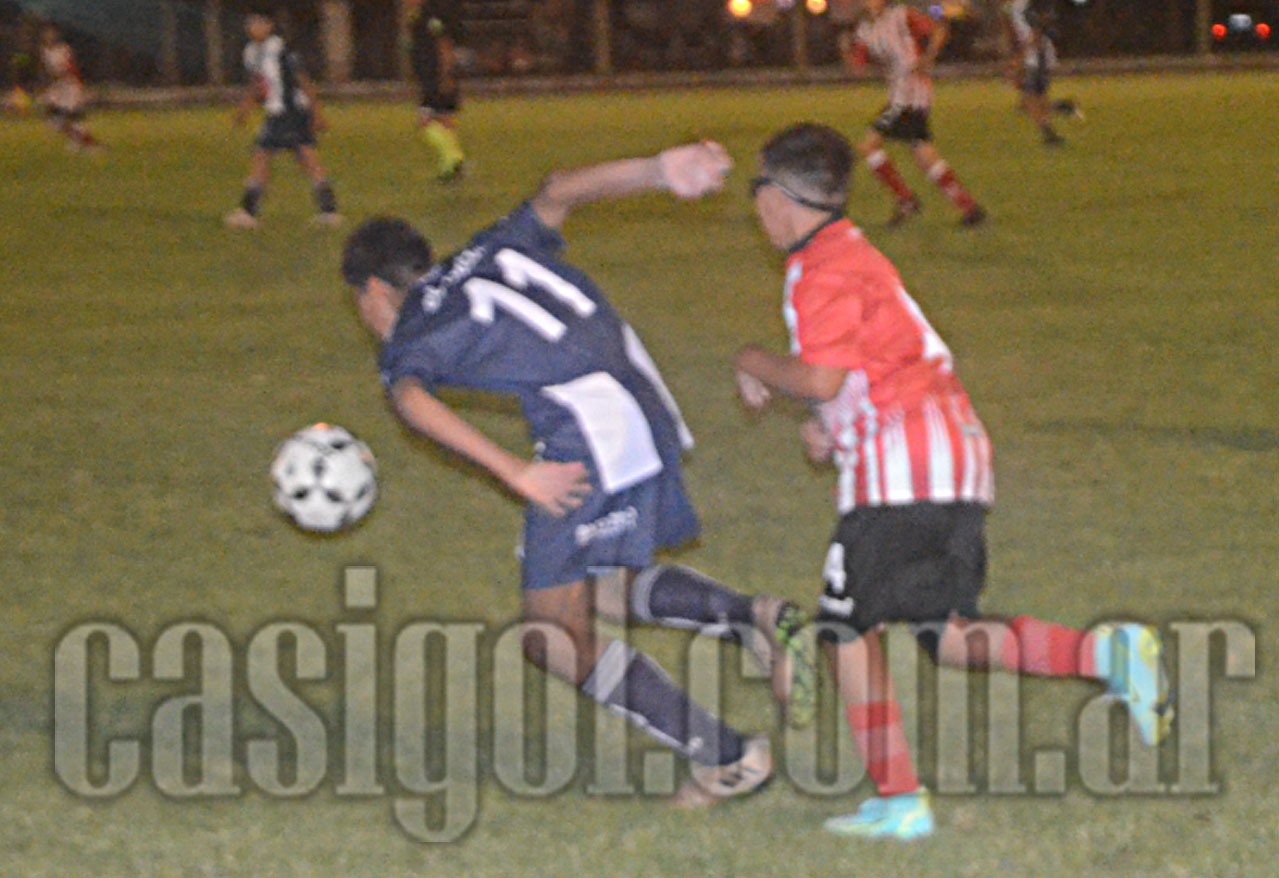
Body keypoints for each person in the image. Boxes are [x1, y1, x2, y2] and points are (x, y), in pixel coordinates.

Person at [340, 141, 815, 807]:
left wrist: (517, 473)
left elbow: (410, 401)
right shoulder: (490, 247)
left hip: (593, 430)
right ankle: (755, 619)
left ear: (373, 291)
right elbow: (559, 188)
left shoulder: (414, 331)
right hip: (637, 397)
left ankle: (728, 756)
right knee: (596, 584)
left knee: (551, 633)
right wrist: (657, 171)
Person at [736, 122, 1173, 839]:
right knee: (946, 635)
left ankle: (900, 800)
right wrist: (829, 426)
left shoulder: (821, 267)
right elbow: (866, 366)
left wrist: (752, 362)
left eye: (756, 187)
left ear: (779, 196)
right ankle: (1106, 653)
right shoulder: (848, 253)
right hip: (953, 453)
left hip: (902, 469)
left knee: (845, 631)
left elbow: (821, 375)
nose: (753, 203)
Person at [841, 0, 984, 227]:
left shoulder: (902, 16)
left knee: (870, 146)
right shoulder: (865, 28)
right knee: (923, 153)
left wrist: (927, 59)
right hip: (899, 95)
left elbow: (939, 29)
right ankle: (969, 207)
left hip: (910, 94)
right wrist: (847, 52)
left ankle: (906, 199)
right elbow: (857, 66)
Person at [225, 13, 340, 230]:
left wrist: (316, 112)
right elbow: (257, 82)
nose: (254, 28)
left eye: (259, 23)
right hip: (275, 113)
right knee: (297, 157)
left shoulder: (281, 49)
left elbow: (303, 81)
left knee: (273, 156)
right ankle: (329, 211)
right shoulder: (251, 52)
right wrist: (245, 108)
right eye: (251, 24)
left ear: (269, 26)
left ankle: (249, 212)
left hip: (292, 110)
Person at [1003, 0, 1081, 146]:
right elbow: (1020, 33)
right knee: (1030, 100)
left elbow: (1036, 33)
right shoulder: (1014, 7)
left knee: (1032, 98)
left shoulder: (1024, 6)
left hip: (1038, 56)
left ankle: (1050, 131)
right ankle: (1060, 110)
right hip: (1032, 56)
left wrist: (1019, 59)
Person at [406, 0, 465, 181]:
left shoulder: (430, 17)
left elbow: (444, 45)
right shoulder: (416, 17)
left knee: (426, 121)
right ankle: (450, 167)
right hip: (430, 77)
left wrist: (446, 74)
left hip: (436, 77)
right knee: (445, 121)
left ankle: (454, 158)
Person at [37, 24, 99, 152]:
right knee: (54, 120)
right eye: (47, 33)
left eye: (52, 33)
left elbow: (70, 67)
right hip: (58, 88)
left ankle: (91, 145)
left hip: (69, 86)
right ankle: (79, 141)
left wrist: (78, 84)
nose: (49, 36)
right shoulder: (45, 51)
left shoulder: (63, 49)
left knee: (71, 119)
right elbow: (47, 71)